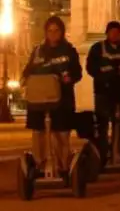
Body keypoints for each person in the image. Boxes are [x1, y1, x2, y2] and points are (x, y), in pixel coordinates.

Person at [22, 16, 82, 179]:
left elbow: (77, 72)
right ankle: (39, 164)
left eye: (56, 31)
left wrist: (70, 78)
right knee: (39, 134)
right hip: (39, 100)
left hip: (61, 100)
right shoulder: (37, 51)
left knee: (61, 134)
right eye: (50, 31)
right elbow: (27, 71)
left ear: (62, 32)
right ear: (45, 33)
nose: (53, 34)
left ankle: (62, 165)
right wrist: (26, 79)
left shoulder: (69, 51)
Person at [86, 21, 120, 166]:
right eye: (112, 32)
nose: (114, 35)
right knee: (102, 124)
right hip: (103, 92)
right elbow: (91, 67)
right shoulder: (97, 48)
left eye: (117, 32)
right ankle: (103, 154)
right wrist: (105, 77)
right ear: (107, 33)